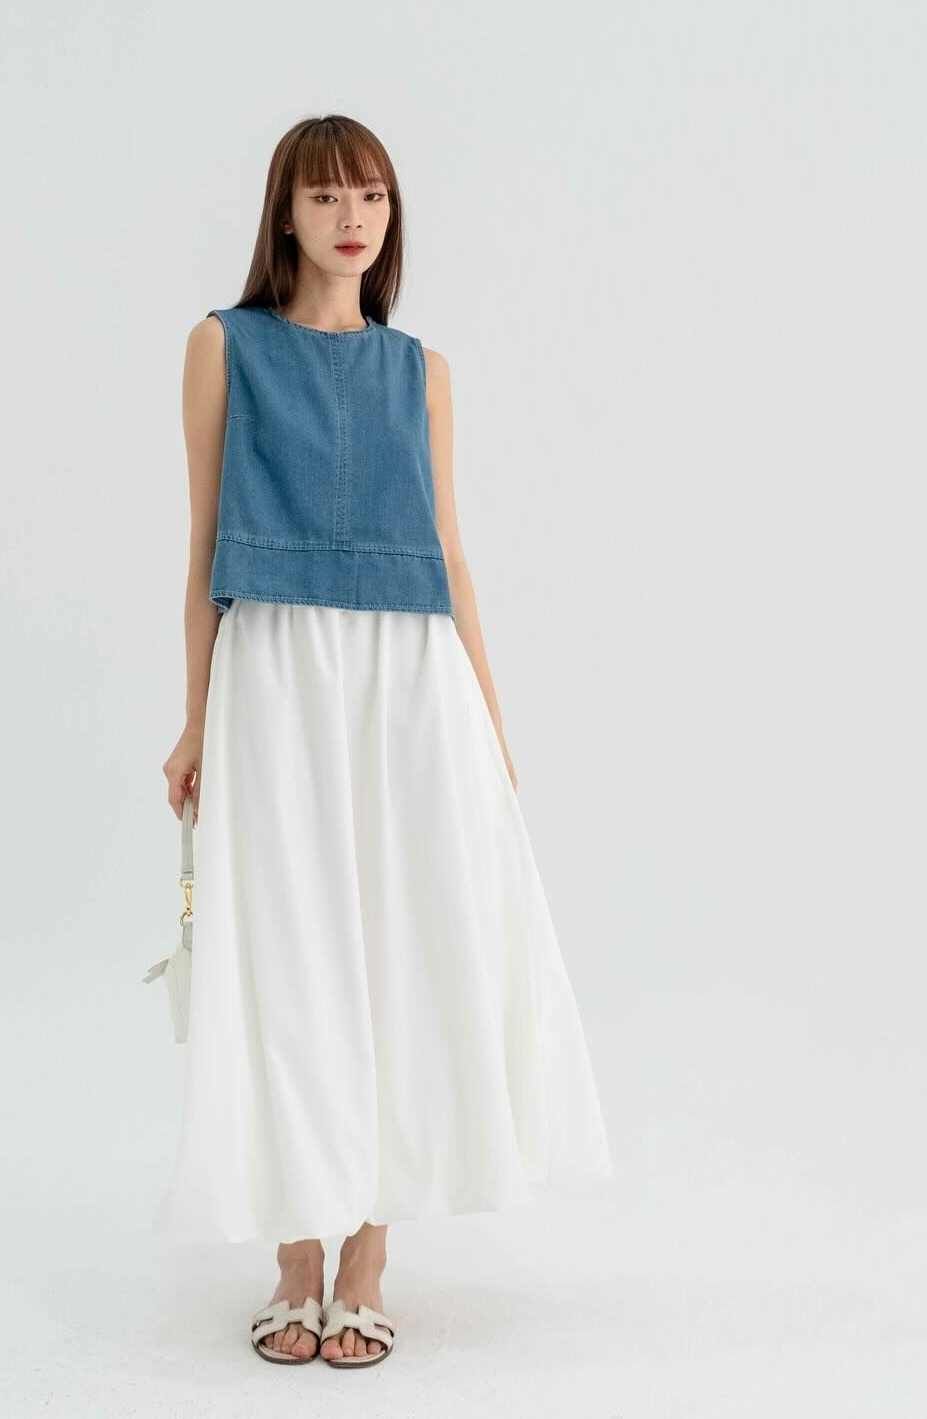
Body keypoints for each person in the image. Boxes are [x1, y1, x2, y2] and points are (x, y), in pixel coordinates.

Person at [154, 114, 614, 1368]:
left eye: (371, 194)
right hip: (276, 668)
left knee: (401, 949)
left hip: (411, 678)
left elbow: (450, 550)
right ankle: (294, 1255)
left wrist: (489, 718)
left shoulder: (422, 370)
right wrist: (195, 715)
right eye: (325, 196)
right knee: (289, 949)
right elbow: (200, 546)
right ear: (284, 215)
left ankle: (365, 1256)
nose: (352, 217)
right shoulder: (224, 345)